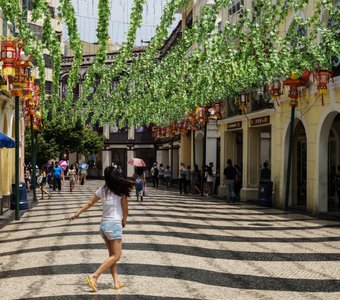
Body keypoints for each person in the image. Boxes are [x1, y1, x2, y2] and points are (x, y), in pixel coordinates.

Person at [69, 166, 133, 291]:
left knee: (111, 255)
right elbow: (125, 209)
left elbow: (89, 203)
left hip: (104, 226)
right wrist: (124, 221)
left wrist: (77, 214)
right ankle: (94, 276)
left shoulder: (102, 190)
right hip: (114, 225)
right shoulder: (121, 191)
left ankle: (116, 282)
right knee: (117, 256)